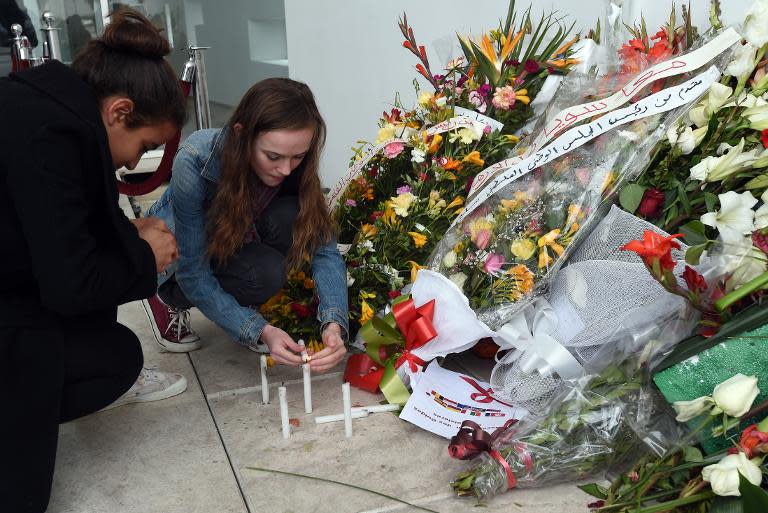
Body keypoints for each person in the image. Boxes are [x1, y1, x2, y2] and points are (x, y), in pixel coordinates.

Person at [0, 10, 187, 512]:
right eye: (143, 146)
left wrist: (125, 235)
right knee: (114, 358)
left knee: (114, 351)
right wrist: (144, 257)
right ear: (119, 111)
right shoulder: (53, 137)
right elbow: (71, 286)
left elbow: (42, 231)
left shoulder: (48, 106)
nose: (132, 162)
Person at [146, 78, 349, 373]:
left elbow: (323, 248)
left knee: (285, 232)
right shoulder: (194, 162)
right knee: (258, 277)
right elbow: (193, 273)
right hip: (181, 259)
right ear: (242, 135)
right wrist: (260, 330)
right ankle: (165, 297)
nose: (286, 169)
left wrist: (334, 323)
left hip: (239, 236)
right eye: (273, 156)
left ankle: (239, 297)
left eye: (299, 156)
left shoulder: (291, 162)